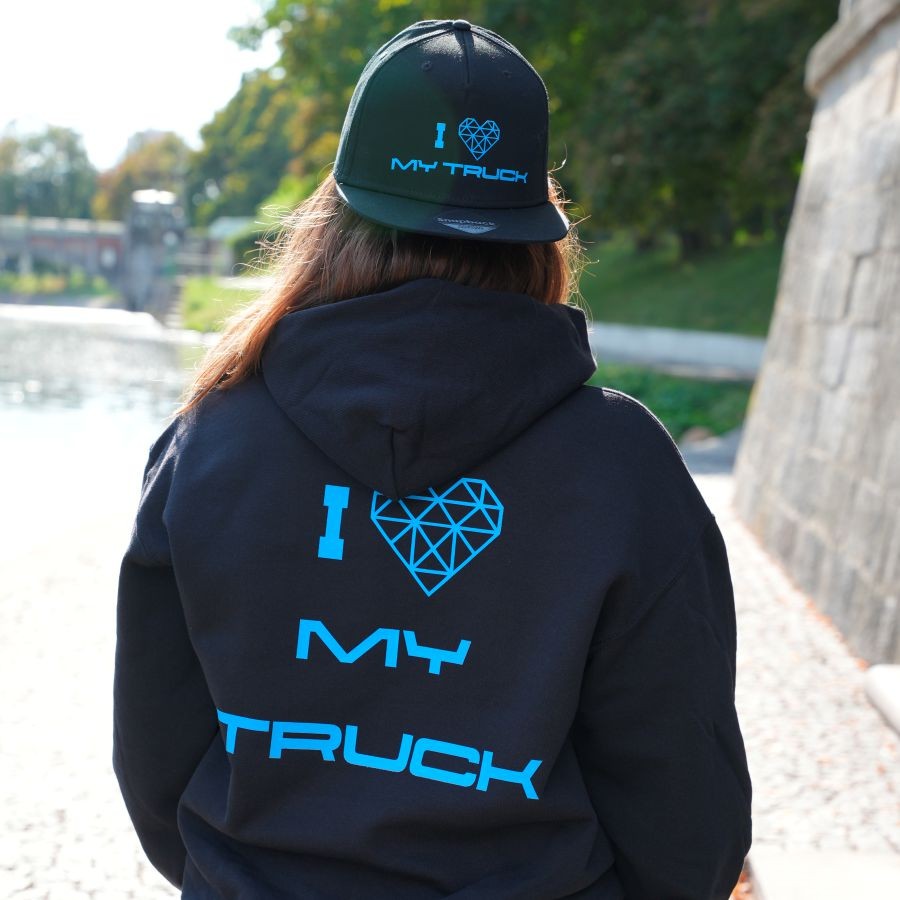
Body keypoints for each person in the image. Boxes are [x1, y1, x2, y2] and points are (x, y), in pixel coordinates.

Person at [113, 18, 752, 900]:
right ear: (538, 232)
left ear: (333, 218)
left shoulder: (211, 442)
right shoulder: (623, 470)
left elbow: (154, 758)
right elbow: (685, 805)